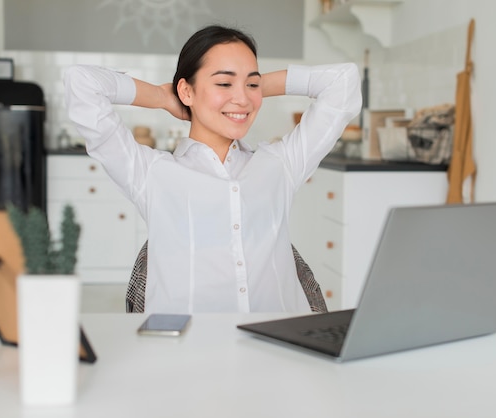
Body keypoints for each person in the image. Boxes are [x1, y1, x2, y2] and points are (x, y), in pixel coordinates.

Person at [64, 25, 361, 314]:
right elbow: (82, 83)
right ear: (187, 90)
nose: (243, 99)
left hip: (280, 342)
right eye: (223, 82)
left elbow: (343, 83)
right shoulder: (151, 173)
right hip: (188, 350)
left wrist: (251, 87)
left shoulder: (280, 163)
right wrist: (163, 97)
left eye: (251, 84)